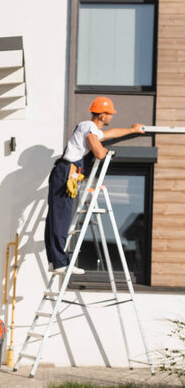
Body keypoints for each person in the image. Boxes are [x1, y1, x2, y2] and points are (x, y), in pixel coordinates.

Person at [44, 96, 145, 274]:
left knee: (57, 218)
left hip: (67, 175)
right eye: (110, 114)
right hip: (65, 175)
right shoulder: (88, 127)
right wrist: (106, 152)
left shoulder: (91, 129)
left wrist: (132, 130)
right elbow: (98, 152)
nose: (111, 117)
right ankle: (60, 263)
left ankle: (56, 261)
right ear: (102, 115)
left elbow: (112, 133)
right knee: (61, 219)